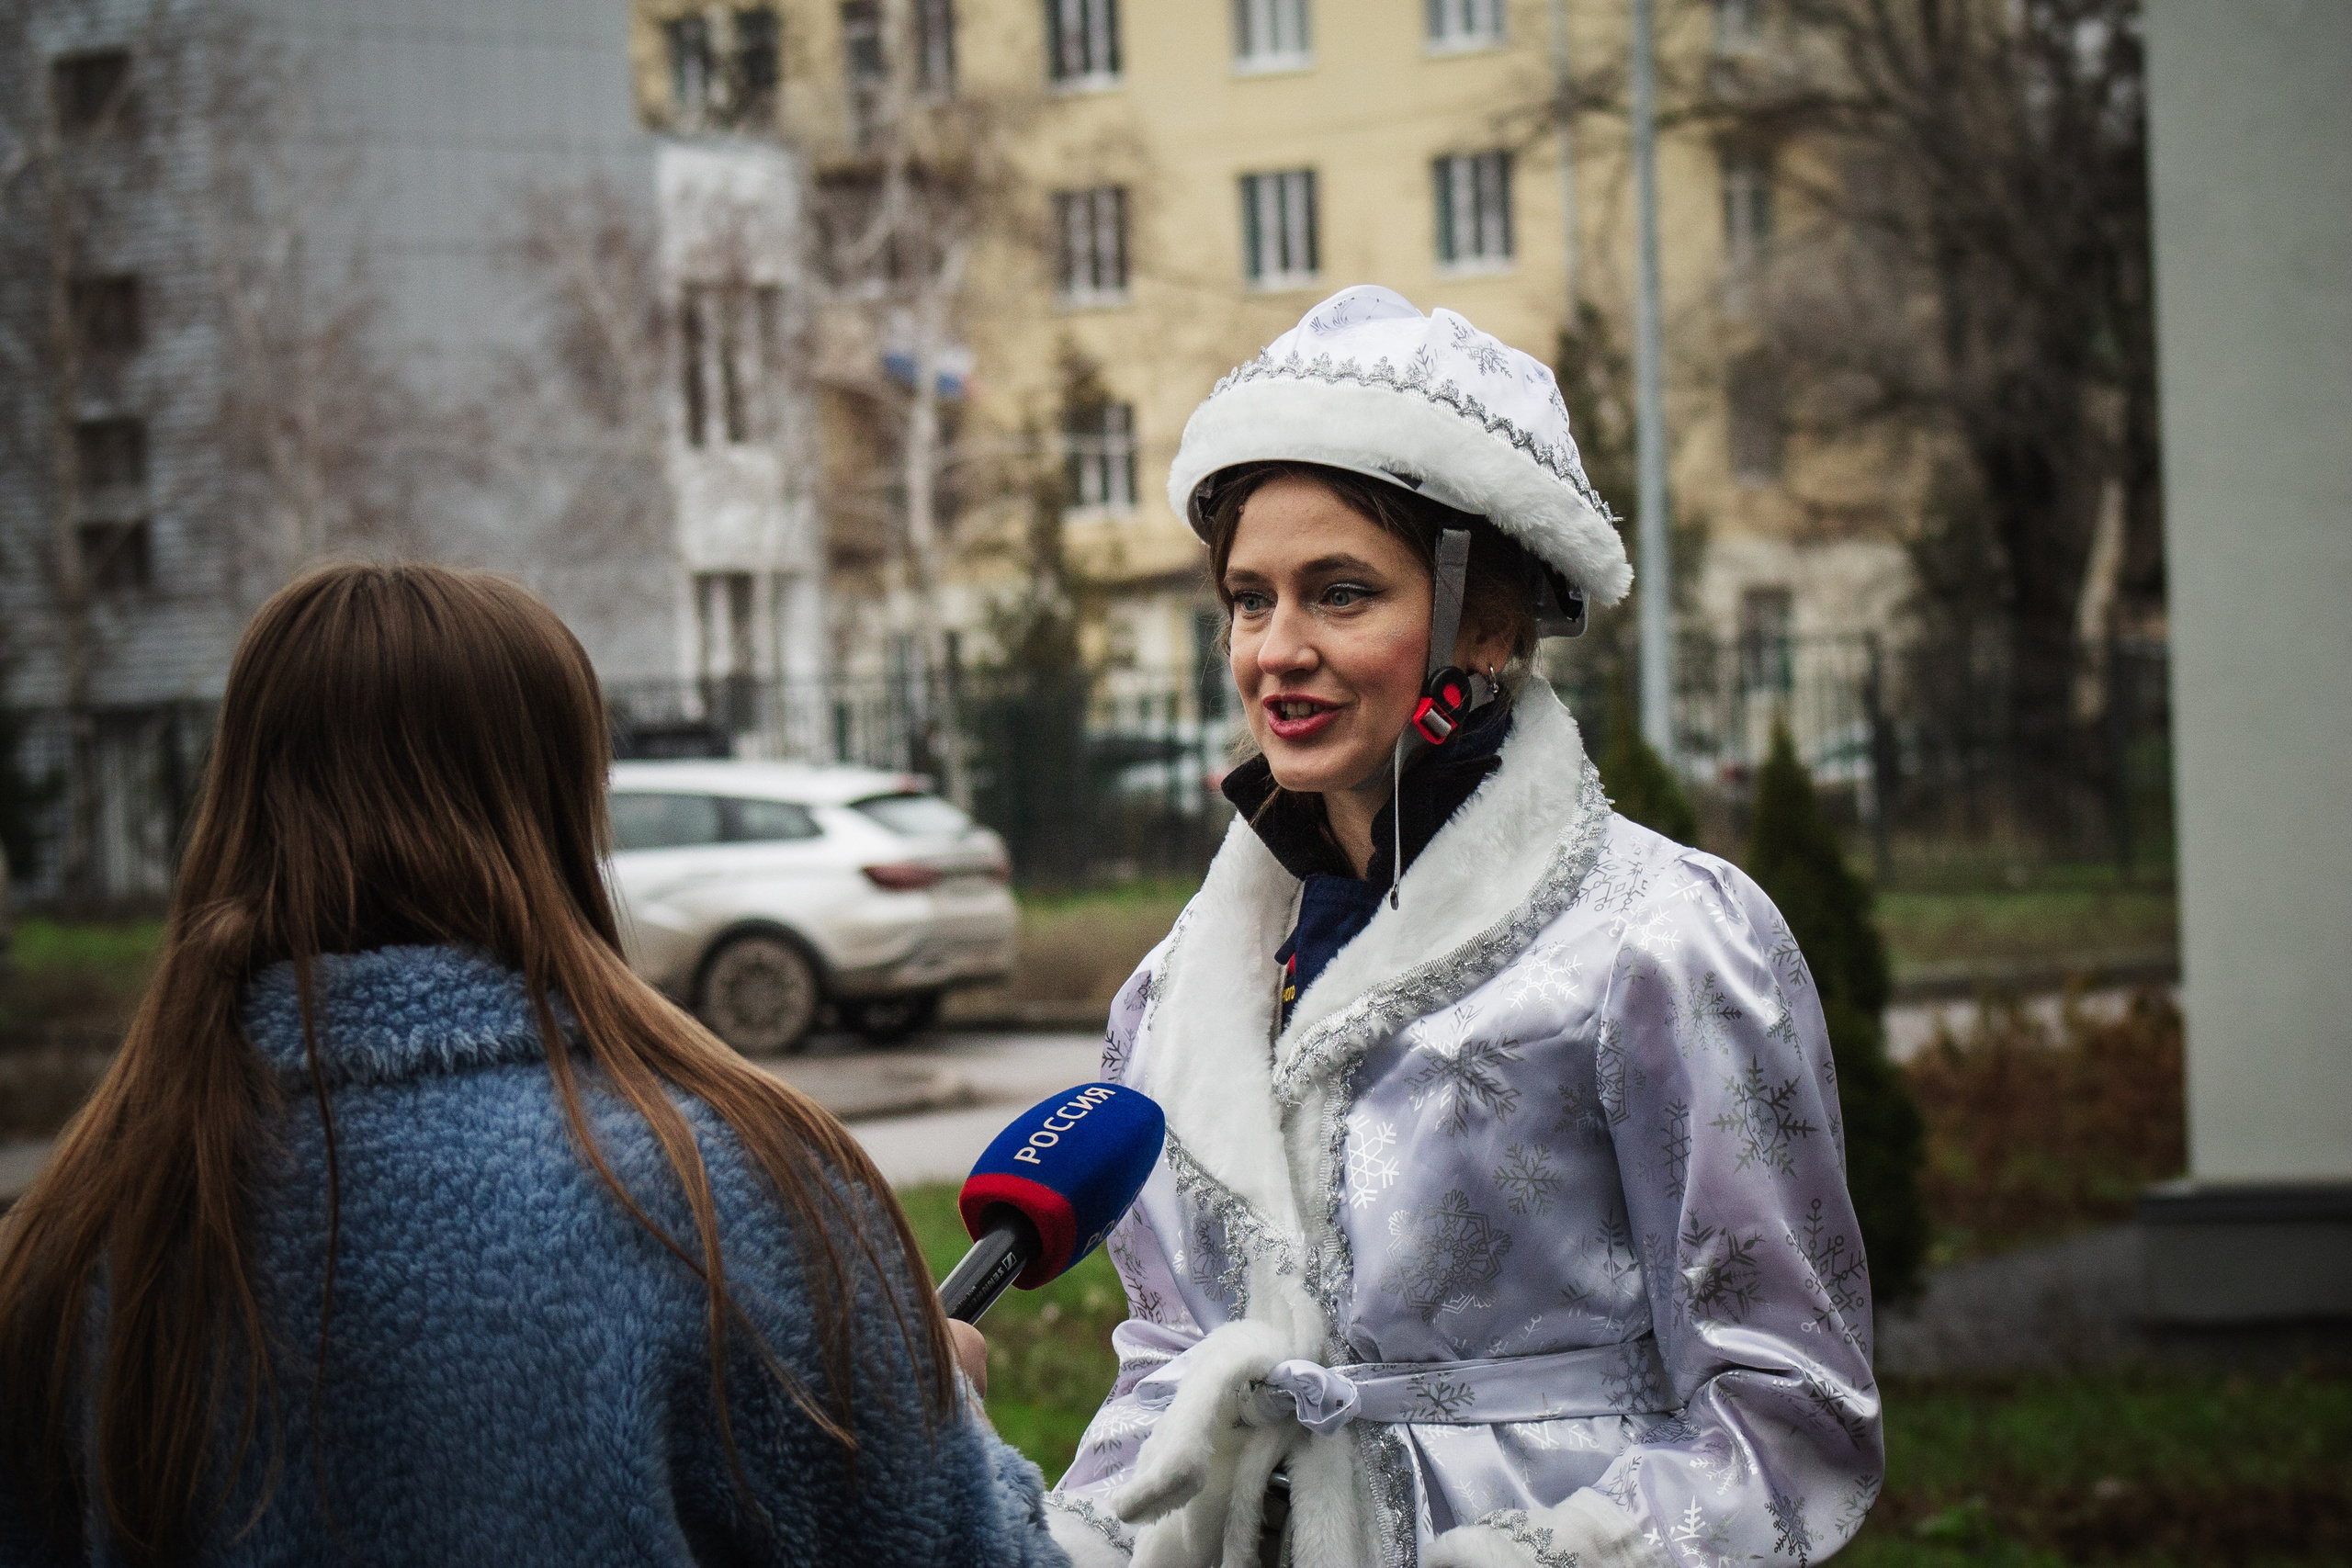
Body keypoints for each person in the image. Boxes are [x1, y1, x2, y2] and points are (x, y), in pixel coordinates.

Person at [1041, 288, 1882, 1568]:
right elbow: (1163, 1367)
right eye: (1249, 599)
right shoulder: (1170, 996)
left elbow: (1790, 1415)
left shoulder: (1662, 938)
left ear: (1486, 620)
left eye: (1339, 592)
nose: (1277, 649)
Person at [0, 564, 1065, 1567]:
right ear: (558, 810)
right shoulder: (726, 1192)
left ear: (242, 800)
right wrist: (952, 1420)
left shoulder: (76, 1233)